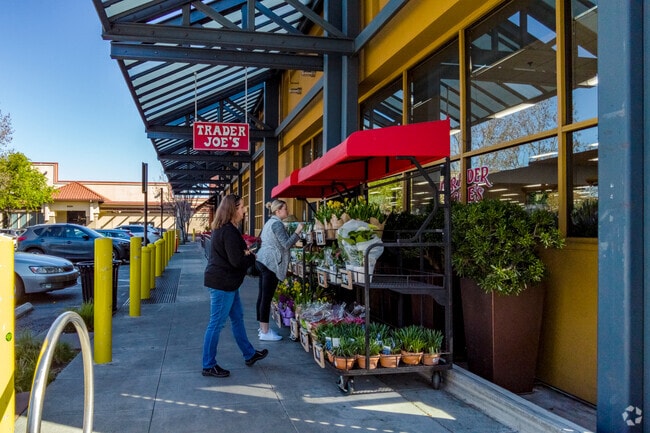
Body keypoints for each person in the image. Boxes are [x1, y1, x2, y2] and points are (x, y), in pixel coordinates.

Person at [202, 194, 268, 378]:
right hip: (222, 283)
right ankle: (208, 365)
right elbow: (237, 260)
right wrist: (250, 256)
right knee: (216, 324)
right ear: (233, 209)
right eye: (242, 207)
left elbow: (233, 254)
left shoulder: (223, 229)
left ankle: (249, 354)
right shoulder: (229, 231)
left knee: (237, 318)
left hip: (227, 283)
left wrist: (244, 251)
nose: (245, 210)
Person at [255, 199, 304, 341]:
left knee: (262, 296)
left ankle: (262, 328)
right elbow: (287, 244)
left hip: (263, 260)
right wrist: (298, 232)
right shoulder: (277, 224)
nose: (287, 211)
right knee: (266, 297)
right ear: (278, 211)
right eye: (285, 209)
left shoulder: (269, 222)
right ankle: (265, 331)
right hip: (271, 263)